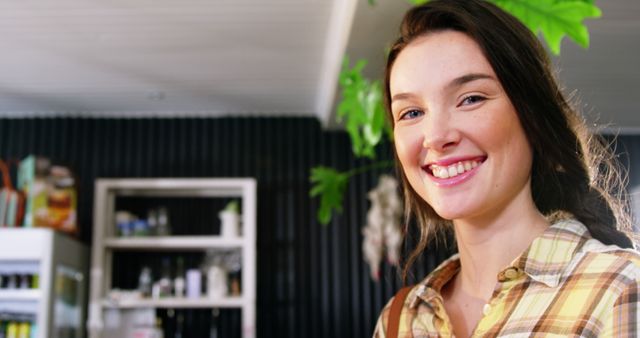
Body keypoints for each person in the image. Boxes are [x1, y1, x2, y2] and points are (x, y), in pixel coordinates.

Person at [372, 0, 640, 337]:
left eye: (471, 98)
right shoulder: (401, 319)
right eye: (411, 113)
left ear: (534, 118)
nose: (436, 137)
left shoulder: (622, 290)